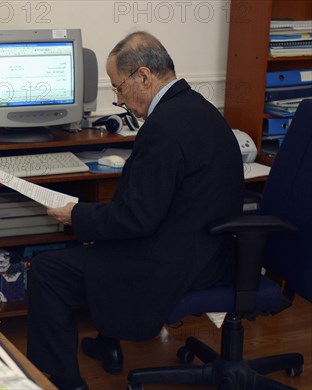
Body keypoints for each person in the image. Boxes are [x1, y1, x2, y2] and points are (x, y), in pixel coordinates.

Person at [26, 31, 244, 390]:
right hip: (211, 251)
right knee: (100, 239)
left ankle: (65, 381)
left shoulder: (163, 129)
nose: (119, 99)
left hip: (177, 265)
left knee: (50, 270)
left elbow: (136, 219)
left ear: (143, 76)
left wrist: (75, 214)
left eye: (119, 88)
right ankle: (106, 340)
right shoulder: (197, 108)